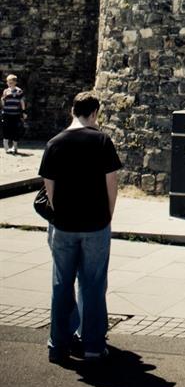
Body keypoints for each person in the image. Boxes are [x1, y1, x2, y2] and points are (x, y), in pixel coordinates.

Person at [38, 90, 122, 363]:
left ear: (72, 111)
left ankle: (58, 345)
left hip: (63, 224)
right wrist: (108, 214)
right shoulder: (102, 141)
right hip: (96, 223)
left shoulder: (54, 143)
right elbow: (112, 183)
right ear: (95, 112)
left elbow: (49, 187)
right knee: (93, 285)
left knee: (61, 284)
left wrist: (62, 212)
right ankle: (93, 346)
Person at [2, 74, 26, 154]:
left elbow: (22, 102)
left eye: (11, 82)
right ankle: (6, 148)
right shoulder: (5, 91)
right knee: (6, 130)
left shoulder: (19, 91)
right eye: (8, 82)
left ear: (15, 82)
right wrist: (3, 100)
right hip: (6, 114)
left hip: (15, 114)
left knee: (15, 131)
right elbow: (3, 102)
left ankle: (15, 148)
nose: (9, 84)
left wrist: (23, 112)